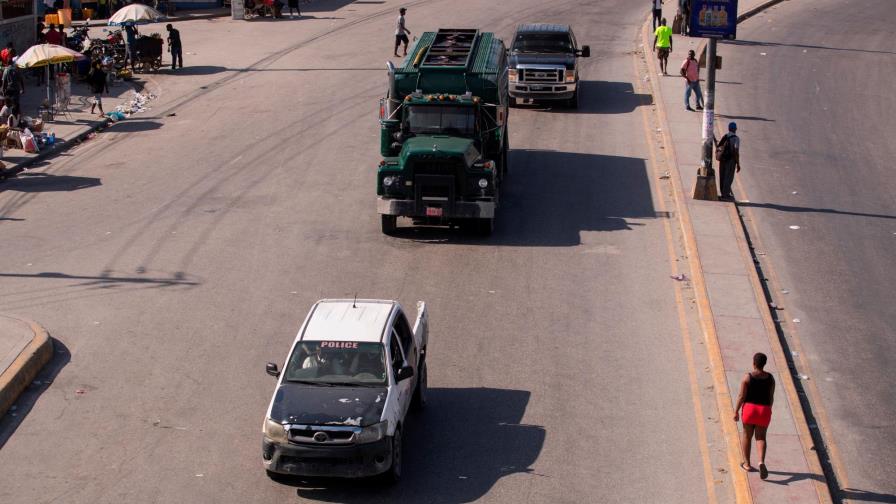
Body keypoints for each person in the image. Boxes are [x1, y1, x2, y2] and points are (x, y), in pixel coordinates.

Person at [734, 352, 775, 480]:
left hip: (750, 410)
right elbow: (771, 397)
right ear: (764, 364)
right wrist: (768, 410)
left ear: (754, 363)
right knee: (761, 437)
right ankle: (761, 462)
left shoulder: (748, 377)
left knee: (747, 435)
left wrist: (735, 411)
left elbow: (741, 396)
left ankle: (747, 464)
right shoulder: (770, 378)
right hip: (764, 410)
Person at [716, 122, 741, 199]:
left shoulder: (725, 136)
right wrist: (738, 163)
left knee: (722, 176)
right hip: (730, 160)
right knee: (728, 177)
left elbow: (719, 147)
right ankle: (725, 195)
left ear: (729, 129)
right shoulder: (736, 139)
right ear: (735, 129)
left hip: (723, 159)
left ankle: (723, 193)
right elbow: (736, 151)